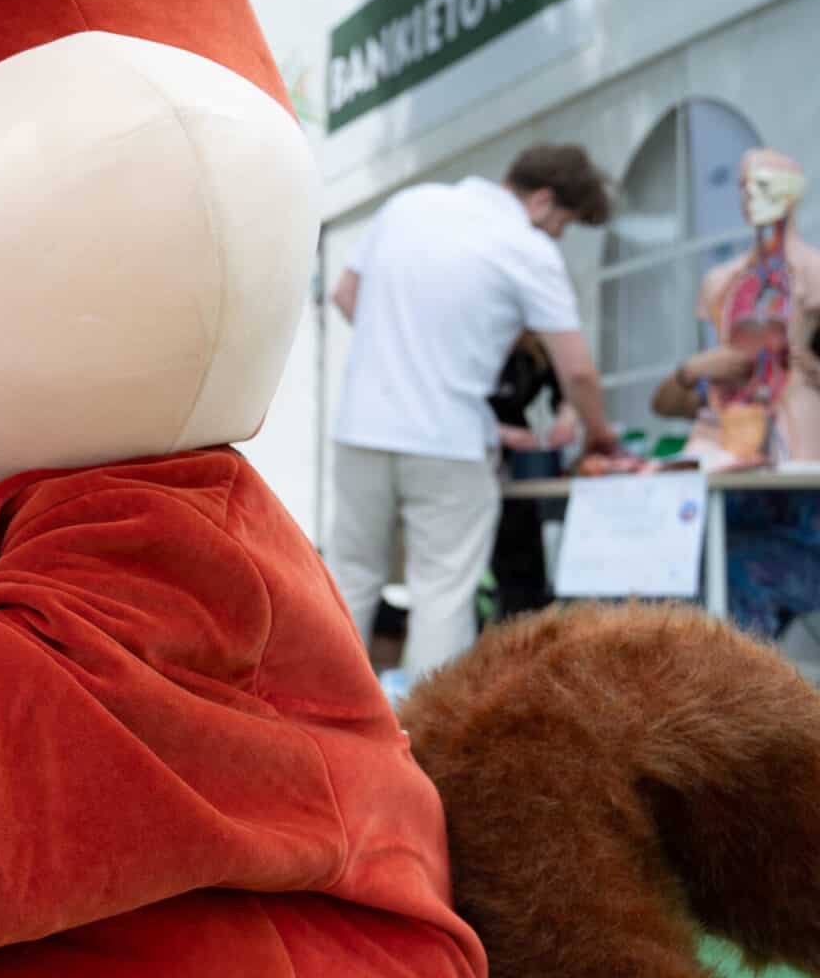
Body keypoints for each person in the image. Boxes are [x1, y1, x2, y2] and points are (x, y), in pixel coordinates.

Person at [327, 144, 621, 682]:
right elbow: (576, 370)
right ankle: (427, 746)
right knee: (442, 591)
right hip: (448, 444)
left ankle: (317, 720)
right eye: (562, 225)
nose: (556, 237)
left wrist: (403, 358)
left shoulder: (408, 205)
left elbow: (346, 296)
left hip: (361, 428)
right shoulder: (527, 248)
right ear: (542, 200)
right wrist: (599, 433)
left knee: (349, 578)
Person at [648, 148, 820, 637]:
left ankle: (737, 700)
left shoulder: (810, 275)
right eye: (743, 188)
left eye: (762, 187)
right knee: (667, 567)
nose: (749, 200)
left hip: (797, 527)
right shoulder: (724, 288)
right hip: (737, 510)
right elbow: (666, 401)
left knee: (729, 572)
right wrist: (695, 370)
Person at [486, 333, 577, 620]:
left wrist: (567, 416)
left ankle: (524, 622)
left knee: (522, 556)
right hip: (465, 451)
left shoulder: (539, 348)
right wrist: (496, 433)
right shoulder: (475, 338)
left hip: (516, 455)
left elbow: (572, 387)